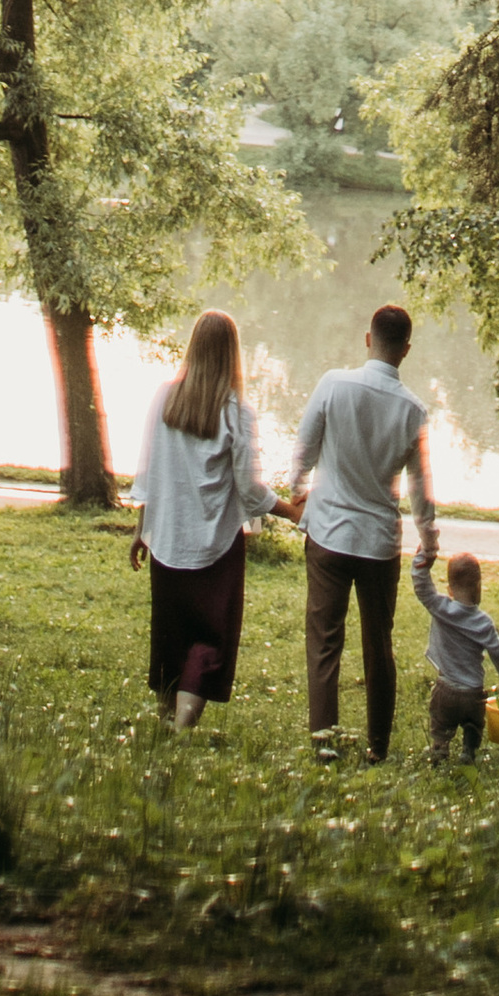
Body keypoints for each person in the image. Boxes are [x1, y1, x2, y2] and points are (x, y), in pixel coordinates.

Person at [283, 300, 435, 761]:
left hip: (329, 535)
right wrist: (429, 539)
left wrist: (297, 489)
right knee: (379, 646)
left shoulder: (334, 384)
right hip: (378, 544)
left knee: (325, 642)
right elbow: (420, 485)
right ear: (406, 350)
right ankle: (378, 748)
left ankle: (324, 746)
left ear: (368, 339)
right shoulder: (414, 411)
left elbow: (304, 449)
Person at [130, 308, 274, 729]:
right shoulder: (237, 411)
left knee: (170, 634)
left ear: (193, 347)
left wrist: (142, 530)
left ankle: (165, 722)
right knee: (209, 640)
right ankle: (179, 728)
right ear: (232, 354)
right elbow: (249, 489)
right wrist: (287, 509)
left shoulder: (165, 397)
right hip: (216, 545)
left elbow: (147, 468)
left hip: (169, 537)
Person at [410, 536, 499, 763]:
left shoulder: (440, 607)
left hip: (445, 688)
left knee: (440, 724)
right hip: (473, 693)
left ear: (449, 589)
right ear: (478, 588)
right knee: (474, 724)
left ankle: (440, 749)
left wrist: (423, 555)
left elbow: (421, 585)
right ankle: (468, 750)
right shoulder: (483, 622)